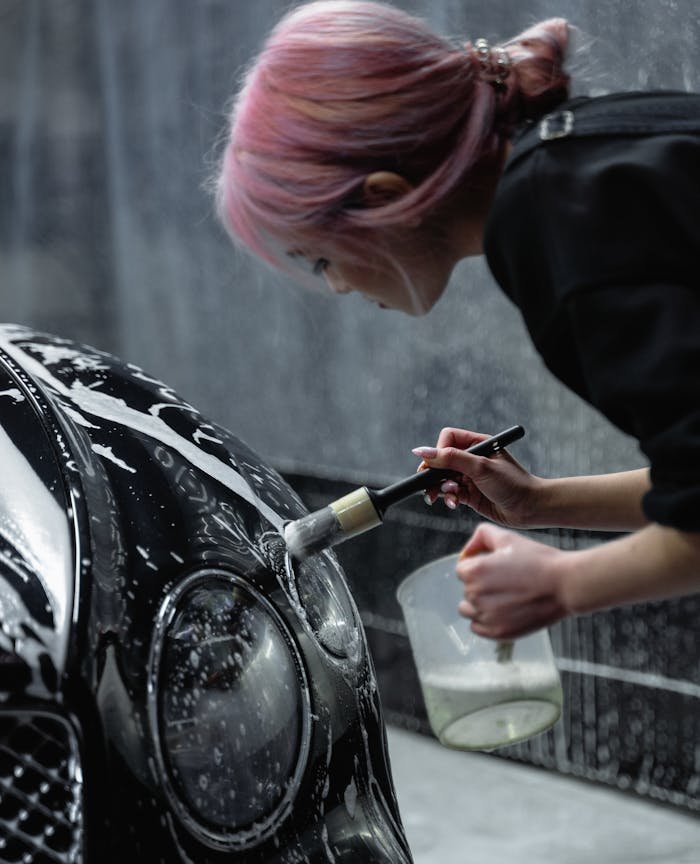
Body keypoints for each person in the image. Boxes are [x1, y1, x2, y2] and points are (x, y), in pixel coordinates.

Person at [216, 0, 700, 640]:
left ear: (386, 199)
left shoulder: (559, 230)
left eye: (322, 257)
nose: (335, 285)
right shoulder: (579, 157)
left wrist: (560, 584)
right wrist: (541, 504)